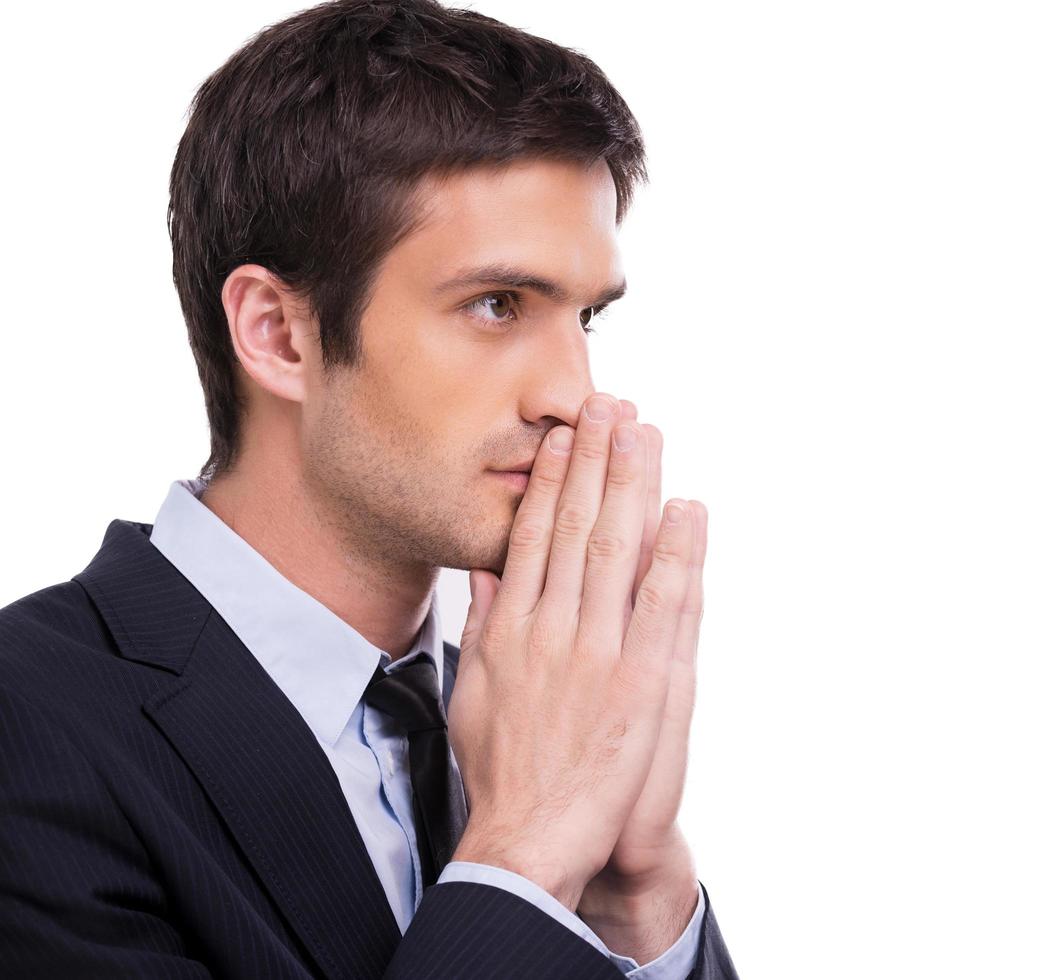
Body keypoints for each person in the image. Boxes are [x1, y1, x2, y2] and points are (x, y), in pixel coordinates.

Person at [0, 1, 739, 977]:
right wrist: (524, 853)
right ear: (279, 333)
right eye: (495, 304)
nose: (574, 393)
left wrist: (632, 899)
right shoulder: (26, 723)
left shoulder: (525, 718)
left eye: (584, 317)